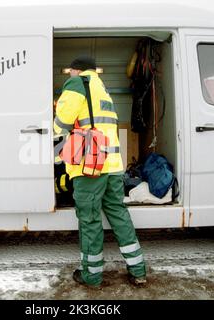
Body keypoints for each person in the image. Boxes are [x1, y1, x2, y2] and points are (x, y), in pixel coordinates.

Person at [54, 56, 147, 288]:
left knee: (90, 220)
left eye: (70, 72)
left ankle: (91, 276)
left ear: (76, 70)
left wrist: (57, 149)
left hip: (90, 167)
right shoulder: (103, 89)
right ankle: (138, 270)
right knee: (118, 214)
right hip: (113, 166)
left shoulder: (77, 84)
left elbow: (62, 121)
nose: (69, 75)